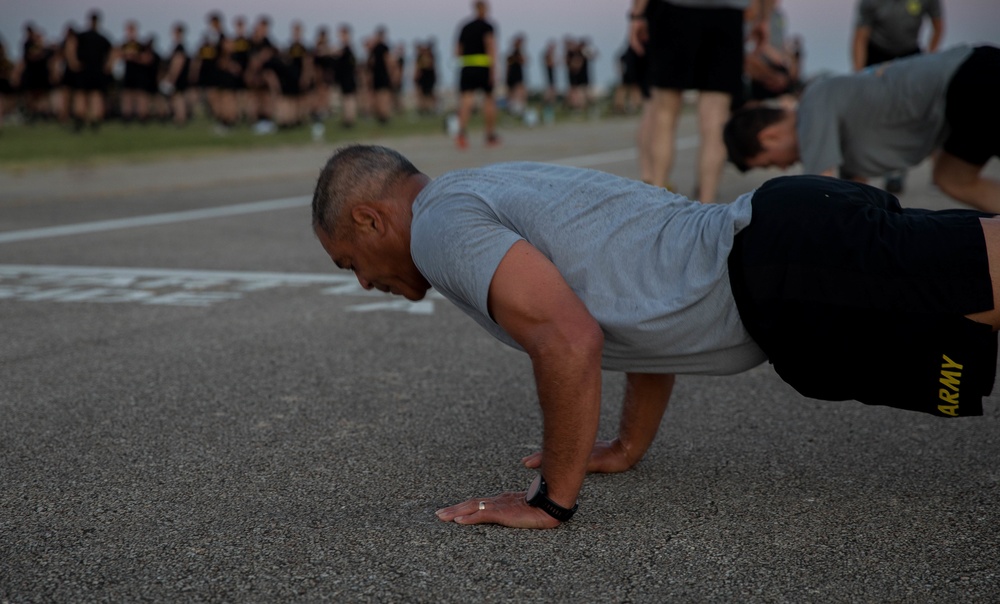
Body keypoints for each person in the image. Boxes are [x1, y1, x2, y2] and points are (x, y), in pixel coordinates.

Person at [311, 144, 1000, 529]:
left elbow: (568, 340)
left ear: (372, 219)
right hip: (784, 258)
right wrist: (627, 443)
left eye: (350, 263)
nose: (363, 283)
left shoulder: (437, 227)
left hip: (785, 263)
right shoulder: (485, 187)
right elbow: (636, 309)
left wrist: (551, 497)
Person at [724, 45, 1000, 213]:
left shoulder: (812, 106)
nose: (783, 169)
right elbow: (851, 201)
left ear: (769, 137)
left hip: (971, 82)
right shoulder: (830, 120)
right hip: (970, 81)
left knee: (952, 177)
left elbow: (820, 197)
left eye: (771, 163)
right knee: (952, 176)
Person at [629, 0, 773, 202]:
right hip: (727, 13)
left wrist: (637, 13)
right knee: (715, 120)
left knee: (664, 115)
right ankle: (706, 203)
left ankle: (657, 198)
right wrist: (763, 18)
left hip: (674, 10)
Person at [852, 0, 944, 194]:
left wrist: (930, 59)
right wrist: (859, 76)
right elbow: (860, 37)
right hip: (876, 53)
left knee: (915, 113)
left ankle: (905, 169)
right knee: (876, 114)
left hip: (911, 54)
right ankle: (866, 173)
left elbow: (938, 26)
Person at [454, 0, 499, 149]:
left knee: (466, 101)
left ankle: (461, 134)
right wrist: (493, 70)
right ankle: (490, 135)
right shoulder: (488, 26)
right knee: (488, 100)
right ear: (484, 9)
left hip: (467, 66)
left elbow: (458, 51)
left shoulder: (465, 26)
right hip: (483, 67)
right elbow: (490, 47)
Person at [66, 10, 112, 131]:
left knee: (84, 95)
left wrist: (73, 62)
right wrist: (108, 65)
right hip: (94, 70)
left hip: (86, 69)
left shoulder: (85, 37)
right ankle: (92, 121)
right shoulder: (101, 38)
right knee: (92, 95)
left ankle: (83, 120)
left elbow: (70, 45)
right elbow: (113, 52)